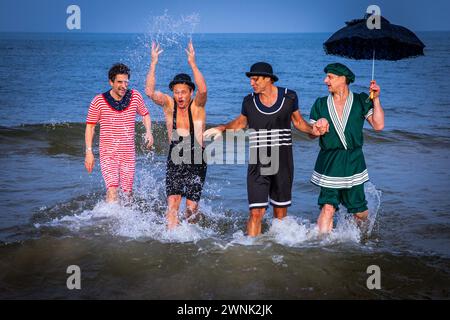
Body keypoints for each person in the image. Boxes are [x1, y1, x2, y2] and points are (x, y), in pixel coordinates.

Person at [204, 62, 327, 237]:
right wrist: (222, 128)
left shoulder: (289, 97)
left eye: (255, 79)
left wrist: (313, 131)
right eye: (251, 80)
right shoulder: (249, 101)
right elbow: (240, 123)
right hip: (258, 163)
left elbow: (299, 122)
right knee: (255, 212)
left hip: (283, 163)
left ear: (268, 79)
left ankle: (278, 252)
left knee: (280, 214)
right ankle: (252, 252)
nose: (251, 83)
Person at [309, 62, 385, 233]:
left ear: (343, 79)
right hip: (329, 161)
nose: (325, 81)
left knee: (359, 213)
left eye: (330, 77)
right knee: (328, 207)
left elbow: (378, 125)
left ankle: (354, 238)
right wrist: (317, 128)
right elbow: (311, 134)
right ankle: (321, 247)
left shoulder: (361, 100)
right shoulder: (320, 103)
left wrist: (376, 99)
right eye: (327, 77)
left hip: (353, 161)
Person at [145, 41, 208, 229]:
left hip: (197, 156)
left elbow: (203, 90)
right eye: (176, 92)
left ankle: (193, 236)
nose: (180, 96)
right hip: (175, 155)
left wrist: (193, 64)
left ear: (190, 93)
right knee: (173, 201)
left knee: (191, 208)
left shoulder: (197, 106)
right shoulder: (168, 104)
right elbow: (149, 91)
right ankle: (171, 239)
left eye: (183, 92)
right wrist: (154, 63)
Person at [85, 63, 153, 202]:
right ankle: (109, 221)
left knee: (127, 193)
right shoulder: (98, 101)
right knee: (112, 189)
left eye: (126, 82)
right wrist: (89, 152)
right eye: (119, 82)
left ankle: (125, 220)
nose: (124, 86)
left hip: (128, 154)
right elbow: (90, 127)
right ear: (111, 82)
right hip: (108, 154)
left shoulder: (135, 97)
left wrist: (148, 132)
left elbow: (145, 114)